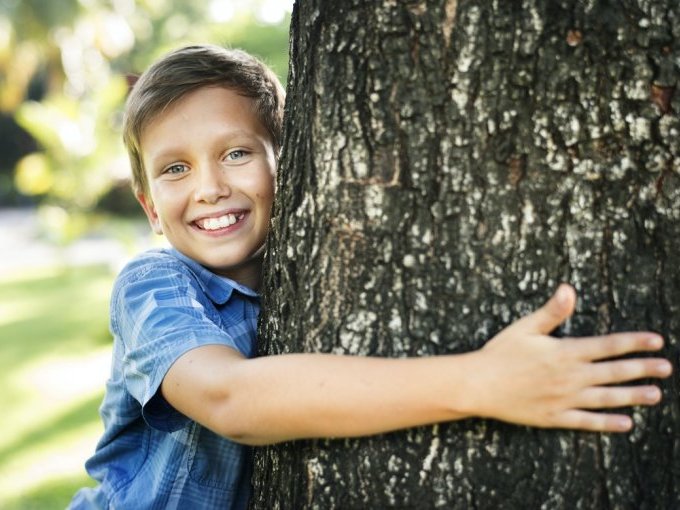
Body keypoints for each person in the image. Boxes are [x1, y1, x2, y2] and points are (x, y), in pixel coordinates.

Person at [69, 44, 672, 509]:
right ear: (150, 208)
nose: (209, 187)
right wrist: (482, 383)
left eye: (236, 153)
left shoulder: (305, 271)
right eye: (175, 169)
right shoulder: (154, 284)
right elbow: (231, 399)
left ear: (295, 163)